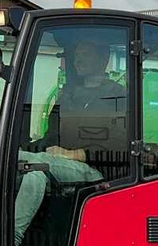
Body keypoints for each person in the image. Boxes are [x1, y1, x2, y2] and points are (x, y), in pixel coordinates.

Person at [44, 33, 127, 163]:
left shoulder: (118, 97)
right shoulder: (67, 96)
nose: (79, 60)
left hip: (98, 171)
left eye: (86, 55)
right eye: (77, 55)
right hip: (59, 165)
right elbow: (50, 138)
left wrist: (76, 155)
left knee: (35, 177)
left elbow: (122, 146)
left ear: (104, 58)